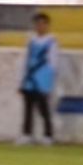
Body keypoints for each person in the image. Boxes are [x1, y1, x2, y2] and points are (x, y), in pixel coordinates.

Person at [16, 12, 58, 146]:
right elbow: (25, 60)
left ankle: (48, 135)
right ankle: (26, 134)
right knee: (27, 108)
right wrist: (21, 79)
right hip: (29, 79)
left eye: (42, 24)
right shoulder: (31, 41)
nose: (39, 27)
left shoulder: (51, 42)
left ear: (47, 25)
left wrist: (49, 81)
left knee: (43, 109)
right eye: (37, 24)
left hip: (42, 79)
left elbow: (53, 63)